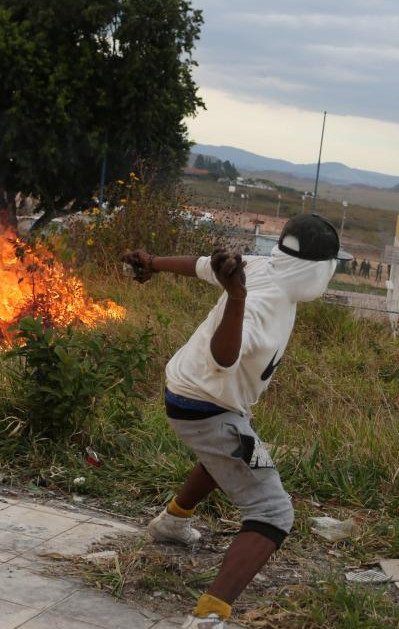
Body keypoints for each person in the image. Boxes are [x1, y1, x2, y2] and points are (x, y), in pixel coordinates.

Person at [122, 214, 345, 629]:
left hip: (196, 394)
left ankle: (172, 521)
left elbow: (199, 264)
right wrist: (238, 299)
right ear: (319, 270)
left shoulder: (262, 267)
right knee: (273, 512)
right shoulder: (259, 300)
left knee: (229, 453)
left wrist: (151, 262)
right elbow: (223, 358)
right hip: (206, 405)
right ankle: (208, 616)